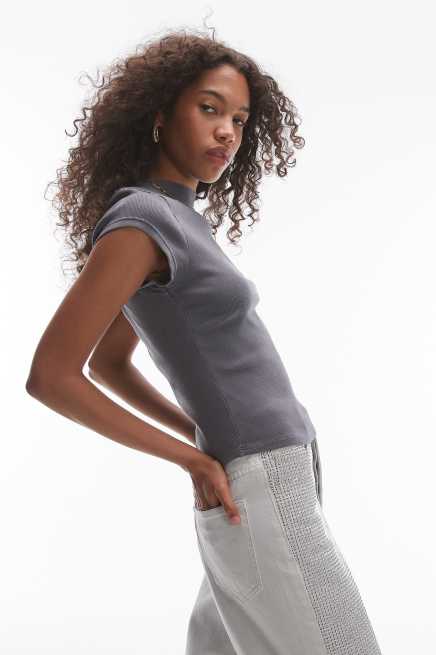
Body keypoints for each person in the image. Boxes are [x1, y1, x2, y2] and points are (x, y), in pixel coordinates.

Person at [26, 27, 383, 655]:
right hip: (259, 483)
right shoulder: (142, 220)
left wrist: (199, 437)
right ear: (159, 116)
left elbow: (111, 362)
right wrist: (190, 456)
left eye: (239, 120)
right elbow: (53, 376)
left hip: (271, 471)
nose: (227, 133)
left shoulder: (178, 219)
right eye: (210, 109)